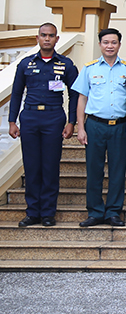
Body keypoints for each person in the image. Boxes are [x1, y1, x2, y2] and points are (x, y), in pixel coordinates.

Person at [9, 23, 78, 227]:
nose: (47, 39)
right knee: (31, 167)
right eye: (43, 35)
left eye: (51, 36)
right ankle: (32, 212)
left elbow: (75, 95)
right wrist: (12, 121)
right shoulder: (25, 64)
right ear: (37, 38)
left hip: (53, 118)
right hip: (29, 118)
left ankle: (48, 213)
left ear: (57, 39)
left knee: (49, 166)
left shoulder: (66, 64)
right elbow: (16, 93)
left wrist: (71, 121)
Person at [72, 28, 126, 227]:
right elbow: (82, 99)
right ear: (100, 45)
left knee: (117, 170)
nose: (110, 46)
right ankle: (95, 211)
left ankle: (113, 211)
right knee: (94, 170)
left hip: (120, 126)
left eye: (114, 42)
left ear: (119, 45)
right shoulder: (89, 69)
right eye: (106, 42)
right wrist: (80, 128)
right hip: (95, 125)